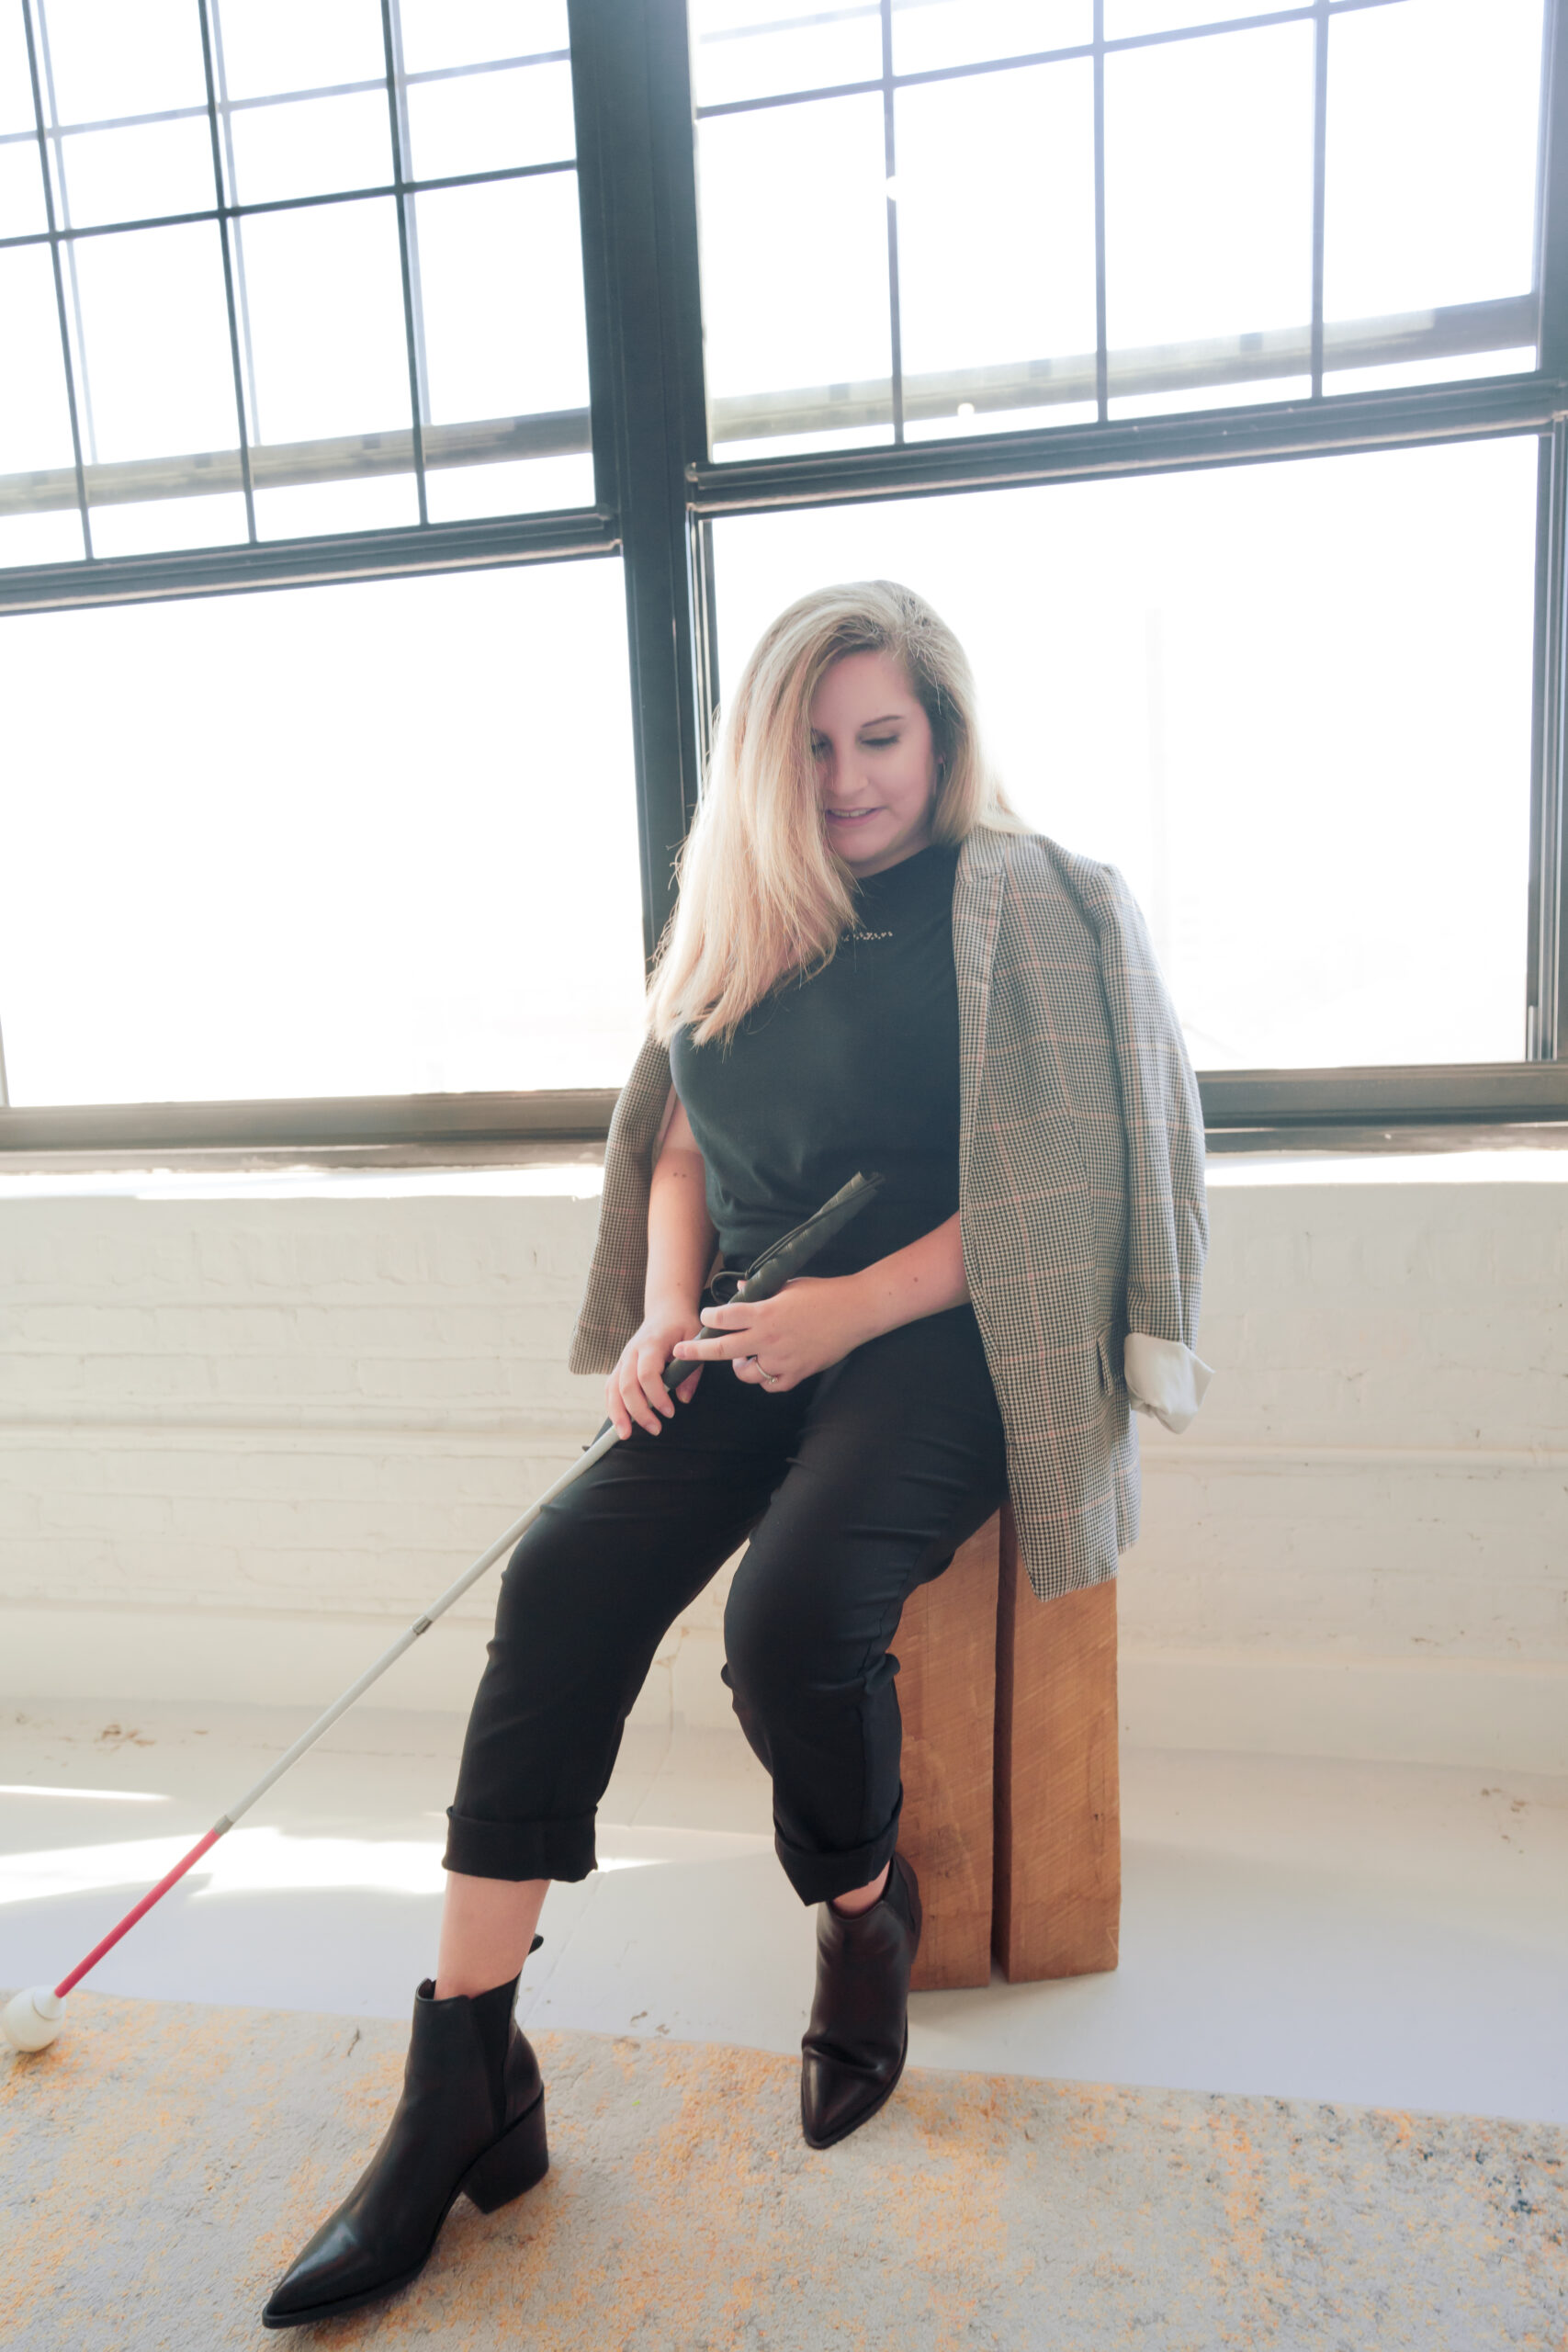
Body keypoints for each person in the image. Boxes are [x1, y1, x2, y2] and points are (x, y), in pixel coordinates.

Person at [263, 580, 1212, 2330]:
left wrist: (850, 1312)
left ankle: (860, 1909)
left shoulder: (1022, 898)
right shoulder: (737, 910)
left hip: (947, 1332)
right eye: (813, 745)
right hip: (752, 1322)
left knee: (787, 1621)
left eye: (882, 736)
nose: (850, 779)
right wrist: (661, 1318)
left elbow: (1057, 1190)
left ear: (941, 733)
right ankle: (465, 2072)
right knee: (561, 1577)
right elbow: (684, 1150)